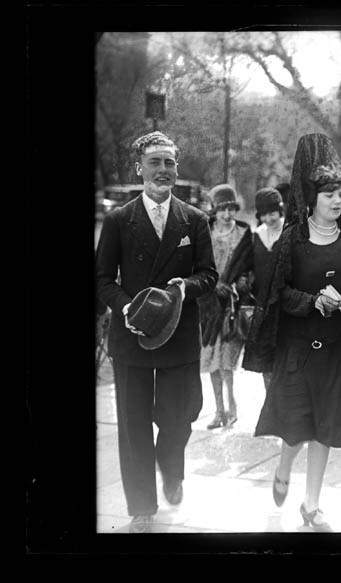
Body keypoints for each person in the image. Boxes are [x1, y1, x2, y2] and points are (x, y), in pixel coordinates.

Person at [95, 131, 218, 533]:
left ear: (176, 168)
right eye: (155, 162)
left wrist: (185, 287)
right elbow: (101, 279)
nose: (162, 170)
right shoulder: (117, 220)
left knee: (180, 415)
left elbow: (209, 275)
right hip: (131, 335)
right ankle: (142, 507)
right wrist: (127, 306)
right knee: (132, 425)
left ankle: (171, 467)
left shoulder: (195, 220)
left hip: (178, 335)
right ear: (139, 169)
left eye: (169, 163)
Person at [242, 133, 341, 532]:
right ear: (311, 198)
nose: (338, 200)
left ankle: (311, 505)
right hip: (297, 349)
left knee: (325, 427)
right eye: (329, 194)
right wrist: (313, 301)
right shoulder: (292, 239)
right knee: (296, 427)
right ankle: (283, 467)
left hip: (335, 350)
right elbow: (277, 293)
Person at [198, 184, 254, 429]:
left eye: (231, 209)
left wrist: (242, 281)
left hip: (233, 305)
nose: (227, 214)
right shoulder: (204, 232)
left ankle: (232, 407)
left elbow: (251, 267)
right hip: (209, 306)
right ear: (214, 210)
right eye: (222, 209)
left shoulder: (244, 233)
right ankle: (218, 410)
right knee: (211, 360)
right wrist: (212, 285)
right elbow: (196, 268)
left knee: (227, 361)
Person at [250, 187, 285, 392]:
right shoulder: (257, 235)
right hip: (263, 304)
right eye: (264, 214)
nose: (269, 218)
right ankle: (270, 401)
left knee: (285, 356)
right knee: (266, 358)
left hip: (286, 303)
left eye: (272, 212)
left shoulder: (290, 232)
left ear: (280, 211)